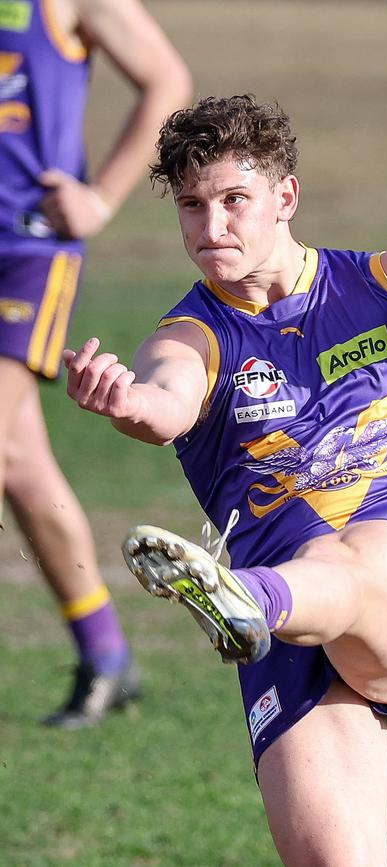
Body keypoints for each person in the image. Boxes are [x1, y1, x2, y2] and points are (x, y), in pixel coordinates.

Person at [65, 6, 387, 864]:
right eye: (191, 206)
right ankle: (259, 603)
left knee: (351, 552)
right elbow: (168, 404)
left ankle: (251, 599)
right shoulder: (191, 336)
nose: (211, 228)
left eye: (233, 201)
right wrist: (123, 400)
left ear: (286, 196)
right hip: (287, 638)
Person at [0, 0, 192, 728]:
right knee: (19, 460)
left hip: (25, 254)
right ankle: (106, 655)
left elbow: (166, 78)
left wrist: (101, 199)